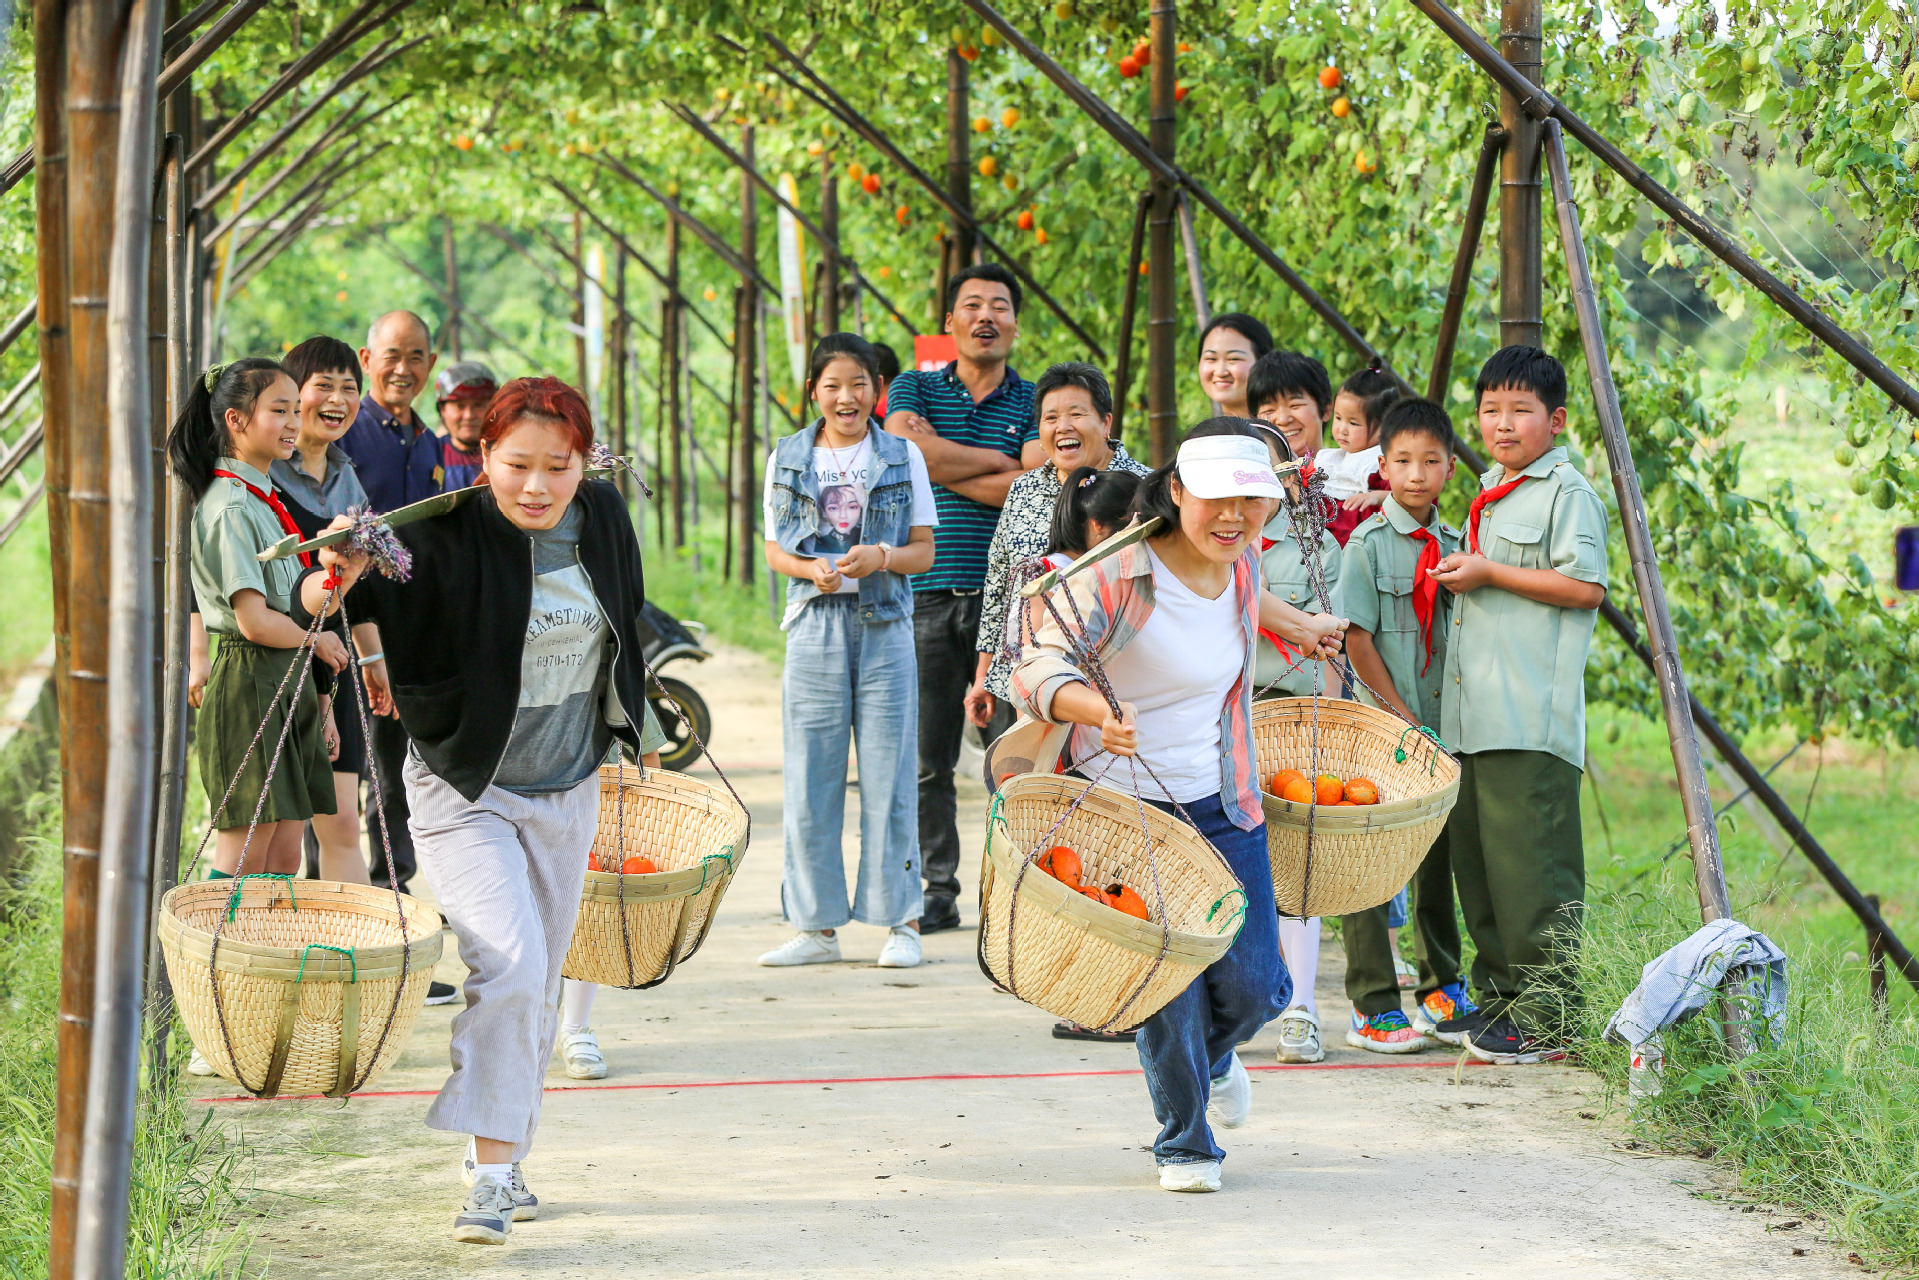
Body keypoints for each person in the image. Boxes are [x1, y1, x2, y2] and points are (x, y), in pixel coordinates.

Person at [349, 376, 653, 1244]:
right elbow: (351, 592)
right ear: (481, 457)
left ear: (583, 464)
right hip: (465, 786)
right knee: (512, 966)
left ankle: (507, 1151)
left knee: (539, 981)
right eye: (516, 464)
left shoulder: (601, 518)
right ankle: (487, 1175)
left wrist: (636, 728)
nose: (535, 486)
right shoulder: (440, 532)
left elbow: (623, 624)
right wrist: (333, 578)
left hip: (567, 785)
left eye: (556, 467)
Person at [1009, 420, 1345, 1193]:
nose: (1233, 517)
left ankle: (1215, 1058)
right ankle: (1184, 1141)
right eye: (1216, 502)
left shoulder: (1242, 565)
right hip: (1123, 808)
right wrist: (1093, 711)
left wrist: (1305, 627)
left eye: (1251, 503)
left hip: (1222, 800)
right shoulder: (1116, 573)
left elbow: (1245, 612)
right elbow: (1034, 665)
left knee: (1261, 985)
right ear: (1177, 493)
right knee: (1171, 981)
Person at [1431, 346, 1609, 1065]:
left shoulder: (1567, 494)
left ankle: (1550, 1015)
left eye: (1518, 411)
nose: (1500, 424)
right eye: (1489, 410)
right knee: (1480, 868)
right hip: (1474, 718)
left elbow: (1585, 588)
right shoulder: (1489, 489)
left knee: (1533, 873)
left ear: (1554, 419)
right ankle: (1502, 1001)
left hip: (1527, 716)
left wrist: (1487, 572)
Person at [760, 334, 939, 968]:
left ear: (876, 391)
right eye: (833, 384)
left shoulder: (901, 455)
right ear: (813, 391)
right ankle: (815, 928)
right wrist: (812, 571)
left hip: (886, 623)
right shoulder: (787, 455)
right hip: (815, 623)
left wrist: (882, 557)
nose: (847, 396)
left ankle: (902, 921)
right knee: (812, 774)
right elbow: (776, 549)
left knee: (891, 774)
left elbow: (923, 549)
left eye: (859, 384)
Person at [883, 264, 1043, 935]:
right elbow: (900, 451)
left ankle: (1016, 893)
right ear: (948, 323)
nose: (985, 316)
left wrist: (937, 457)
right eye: (970, 305)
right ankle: (938, 892)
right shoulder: (912, 384)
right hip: (922, 593)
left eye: (998, 306)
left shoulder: (1036, 399)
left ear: (1014, 323)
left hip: (1008, 604)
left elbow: (1036, 481)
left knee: (1014, 759)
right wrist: (998, 466)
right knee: (927, 760)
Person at [169, 359, 367, 883]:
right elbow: (255, 622)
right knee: (246, 852)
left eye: (292, 411)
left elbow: (295, 603)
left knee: (285, 853)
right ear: (236, 421)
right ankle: (222, 960)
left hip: (287, 676)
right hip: (250, 680)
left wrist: (340, 575)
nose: (292, 424)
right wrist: (317, 642)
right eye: (278, 411)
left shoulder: (263, 496)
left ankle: (266, 959)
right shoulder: (231, 506)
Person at [1333, 397, 1473, 1053]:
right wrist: (1399, 717)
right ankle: (1372, 1003)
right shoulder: (1364, 545)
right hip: (1382, 729)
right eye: (1402, 461)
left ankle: (1440, 989)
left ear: (1449, 466)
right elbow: (1355, 640)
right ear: (1382, 466)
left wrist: (1436, 723)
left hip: (1440, 730)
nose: (1416, 474)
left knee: (1434, 859)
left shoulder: (1457, 547)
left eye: (1430, 461)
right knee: (1371, 862)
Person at [1245, 352, 1345, 1063]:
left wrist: (1331, 723)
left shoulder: (1312, 542)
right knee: (1226, 861)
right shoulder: (1196, 543)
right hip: (1218, 717)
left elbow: (1331, 640)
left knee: (1296, 864)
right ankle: (1234, 1007)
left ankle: (1301, 1009)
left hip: (1290, 715)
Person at [965, 362, 1150, 743]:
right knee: (1026, 792)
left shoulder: (1145, 489)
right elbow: (999, 583)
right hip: (1026, 682)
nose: (1062, 426)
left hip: (1121, 687)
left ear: (1106, 422)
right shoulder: (1023, 490)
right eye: (1050, 417)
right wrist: (983, 675)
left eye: (1076, 414)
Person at [271, 335, 383, 888]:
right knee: (282, 834)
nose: (338, 398)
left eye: (350, 388)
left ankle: (364, 967)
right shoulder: (261, 476)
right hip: (280, 658)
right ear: (293, 397)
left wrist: (373, 658)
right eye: (324, 386)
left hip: (337, 663)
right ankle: (276, 963)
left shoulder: (347, 476)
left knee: (342, 822)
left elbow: (355, 589)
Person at [340, 310, 442, 896]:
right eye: (391, 356)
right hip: (348, 622)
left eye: (415, 357)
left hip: (407, 629)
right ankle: (339, 896)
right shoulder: (348, 433)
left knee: (394, 765)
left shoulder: (423, 439)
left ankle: (391, 891)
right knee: (341, 768)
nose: (402, 369)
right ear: (366, 358)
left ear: (430, 364)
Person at [554, 700, 670, 1081]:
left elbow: (647, 752)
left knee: (586, 922)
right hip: (515, 808)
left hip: (597, 822)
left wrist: (640, 822)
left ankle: (574, 1027)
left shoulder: (609, 671)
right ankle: (522, 1027)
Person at [1321, 361, 1398, 546]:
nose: (1342, 429)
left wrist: (1377, 496)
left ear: (1384, 426)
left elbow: (1406, 498)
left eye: (1353, 423)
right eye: (1338, 418)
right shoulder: (1330, 458)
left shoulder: (1379, 463)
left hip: (1359, 544)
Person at [1194, 312, 1273, 420]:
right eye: (1211, 359)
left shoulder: (1286, 428)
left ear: (1264, 361)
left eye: (1233, 359)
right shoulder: (1207, 435)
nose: (1220, 372)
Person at [436, 359, 497, 491]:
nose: (469, 415)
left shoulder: (506, 454)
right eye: (460, 406)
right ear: (442, 410)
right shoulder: (430, 454)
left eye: (478, 405)